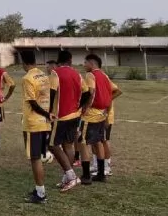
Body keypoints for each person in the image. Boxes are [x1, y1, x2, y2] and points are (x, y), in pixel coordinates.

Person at [20, 50, 55, 204]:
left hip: (34, 123)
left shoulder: (27, 78)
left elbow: (33, 102)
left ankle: (41, 194)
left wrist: (47, 114)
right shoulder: (43, 75)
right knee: (39, 157)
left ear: (24, 62)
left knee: (35, 159)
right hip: (44, 123)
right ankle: (39, 189)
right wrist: (48, 114)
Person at [82, 54, 122, 182]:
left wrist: (84, 107)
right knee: (98, 141)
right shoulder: (104, 75)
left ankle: (86, 175)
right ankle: (101, 172)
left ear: (92, 63)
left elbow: (91, 92)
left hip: (91, 115)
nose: (84, 65)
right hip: (102, 114)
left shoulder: (90, 75)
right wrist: (106, 103)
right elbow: (115, 90)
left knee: (83, 143)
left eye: (85, 63)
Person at [47, 51, 82, 193]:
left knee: (52, 145)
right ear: (70, 60)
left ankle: (71, 176)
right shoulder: (77, 74)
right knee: (68, 145)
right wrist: (80, 107)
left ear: (58, 61)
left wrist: (48, 111)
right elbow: (87, 92)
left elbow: (52, 92)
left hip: (61, 116)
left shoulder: (56, 73)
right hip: (75, 115)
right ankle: (68, 177)